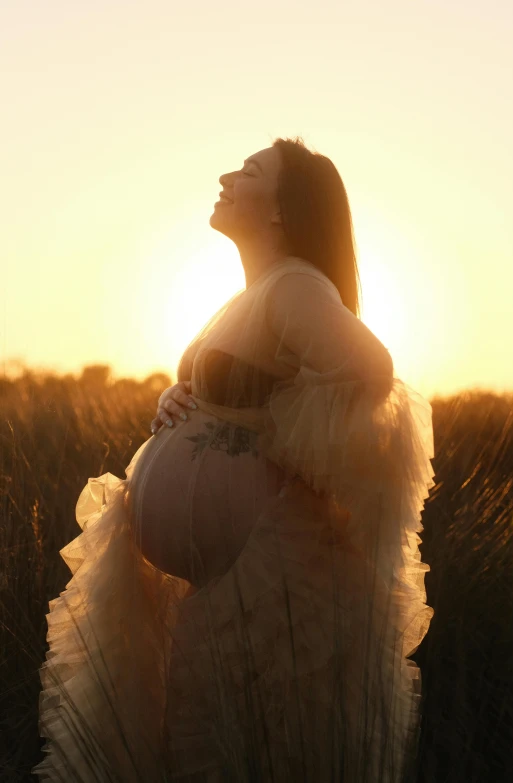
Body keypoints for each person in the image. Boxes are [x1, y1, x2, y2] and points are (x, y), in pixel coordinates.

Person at [32, 136, 435, 782]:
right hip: (219, 583)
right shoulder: (248, 295)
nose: (226, 175)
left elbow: (370, 370)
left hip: (268, 582)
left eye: (249, 170)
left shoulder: (297, 286)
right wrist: (179, 395)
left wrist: (269, 431)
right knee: (203, 748)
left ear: (281, 209)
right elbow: (234, 382)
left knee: (252, 752)